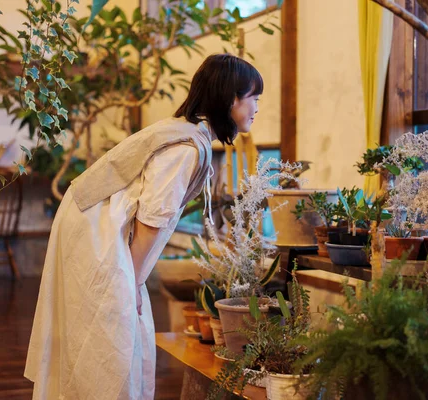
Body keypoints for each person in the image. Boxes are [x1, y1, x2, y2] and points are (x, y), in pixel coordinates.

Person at [23, 53, 263, 400]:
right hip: (93, 230)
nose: (256, 106)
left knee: (105, 334)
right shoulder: (186, 147)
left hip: (92, 221)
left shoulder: (186, 132)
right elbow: (151, 220)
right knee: (111, 335)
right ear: (230, 98)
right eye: (253, 97)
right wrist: (132, 283)